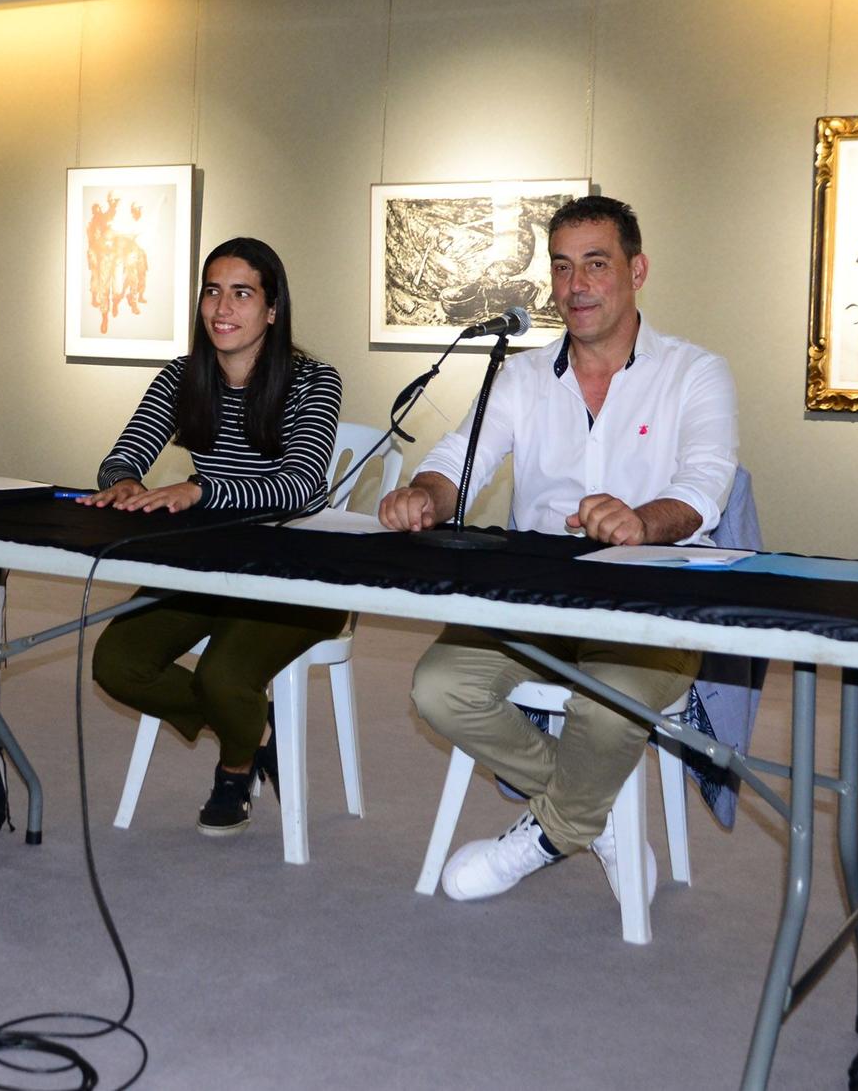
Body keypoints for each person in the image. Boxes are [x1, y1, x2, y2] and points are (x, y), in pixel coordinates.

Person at [379, 196, 737, 903]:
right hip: (536, 598)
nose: (576, 286)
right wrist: (426, 492)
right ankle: (591, 812)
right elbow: (460, 458)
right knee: (438, 686)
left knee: (606, 706)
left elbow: (705, 487)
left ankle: (549, 833)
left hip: (652, 603)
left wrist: (643, 519)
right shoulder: (521, 376)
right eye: (564, 267)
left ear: (637, 270)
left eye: (596, 265)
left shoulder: (696, 372)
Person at [82, 237, 346, 835]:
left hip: (301, 574)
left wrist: (202, 489)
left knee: (223, 677)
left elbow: (301, 484)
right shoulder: (182, 376)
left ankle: (234, 770)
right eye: (212, 292)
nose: (222, 308)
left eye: (242, 293)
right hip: (206, 565)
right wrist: (123, 481)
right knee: (118, 663)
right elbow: (123, 455)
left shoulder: (314, 380)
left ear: (272, 309)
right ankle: (254, 728)